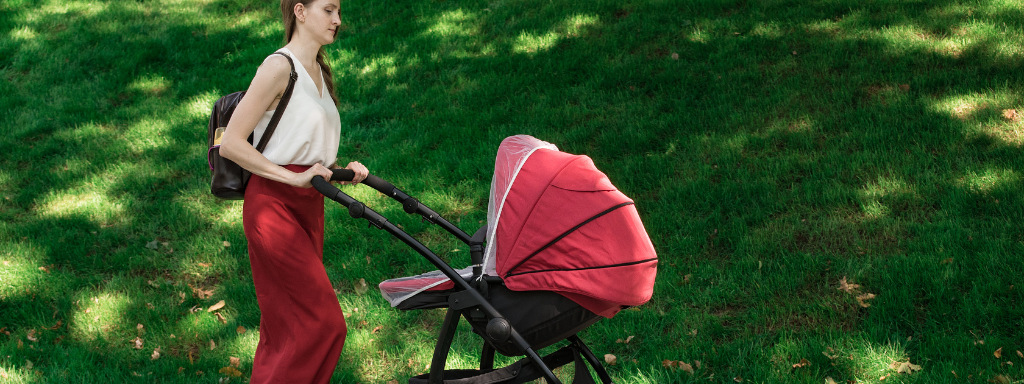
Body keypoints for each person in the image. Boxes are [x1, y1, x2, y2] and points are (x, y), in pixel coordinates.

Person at [218, 0, 367, 382]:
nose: (338, 20)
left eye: (339, 12)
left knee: (286, 330)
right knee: (323, 324)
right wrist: (291, 179)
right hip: (273, 206)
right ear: (300, 11)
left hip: (308, 204)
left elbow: (304, 153)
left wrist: (342, 172)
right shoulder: (278, 66)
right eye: (329, 10)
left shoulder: (319, 71)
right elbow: (232, 143)